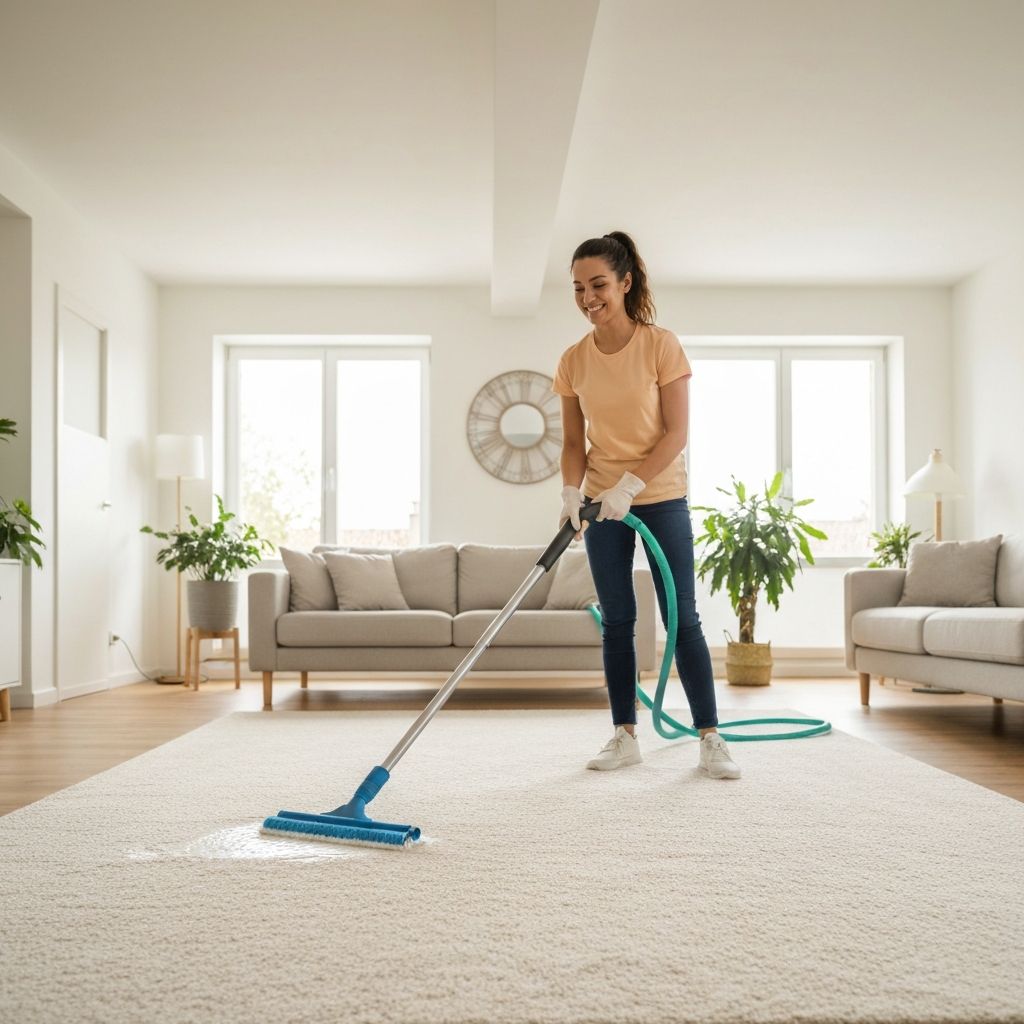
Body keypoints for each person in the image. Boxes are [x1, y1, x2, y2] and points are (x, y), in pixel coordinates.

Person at [552, 231, 740, 780]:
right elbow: (571, 442)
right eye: (579, 288)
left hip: (658, 498)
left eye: (599, 285)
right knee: (617, 622)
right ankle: (624, 735)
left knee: (683, 618)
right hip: (599, 502)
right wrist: (571, 493)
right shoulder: (572, 360)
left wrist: (629, 487)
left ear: (626, 282)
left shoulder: (661, 345)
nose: (588, 297)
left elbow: (676, 432)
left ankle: (711, 737)